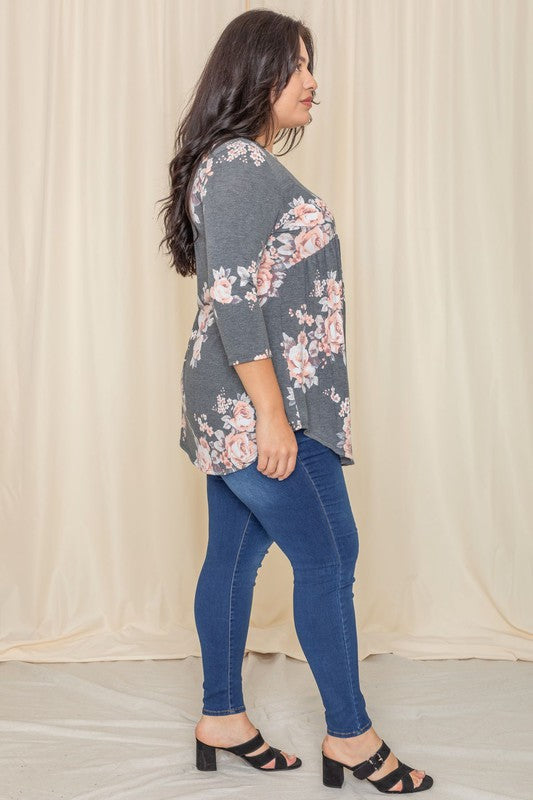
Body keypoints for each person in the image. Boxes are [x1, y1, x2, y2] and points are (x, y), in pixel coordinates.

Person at [159, 8, 433, 794]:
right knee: (327, 556)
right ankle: (351, 736)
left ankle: (222, 716)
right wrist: (273, 417)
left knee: (237, 557)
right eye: (297, 65)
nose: (313, 82)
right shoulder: (240, 165)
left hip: (247, 399)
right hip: (263, 406)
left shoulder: (228, 163)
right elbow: (236, 298)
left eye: (313, 65)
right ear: (254, 72)